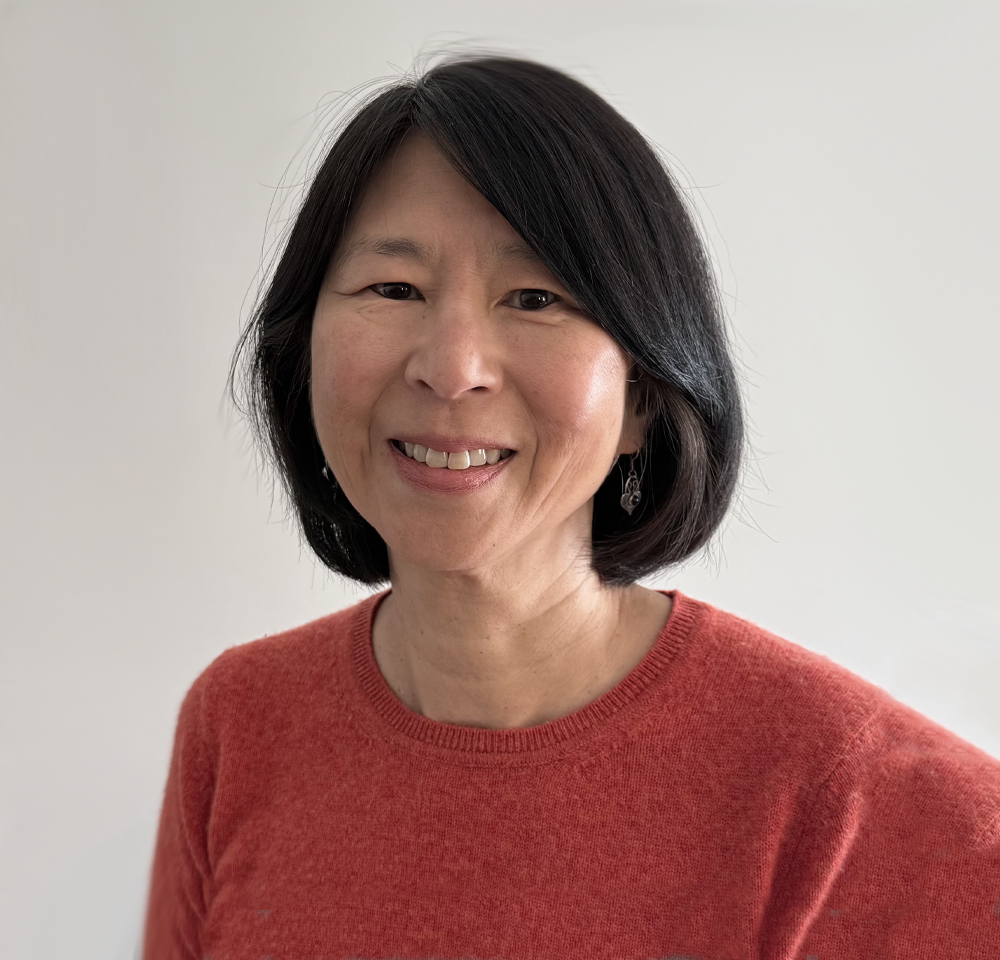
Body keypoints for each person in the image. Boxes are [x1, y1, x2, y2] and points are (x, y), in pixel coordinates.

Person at [141, 54, 1000, 959]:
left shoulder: (859, 807)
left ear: (642, 399)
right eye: (394, 289)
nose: (452, 367)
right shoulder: (237, 725)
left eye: (535, 297)